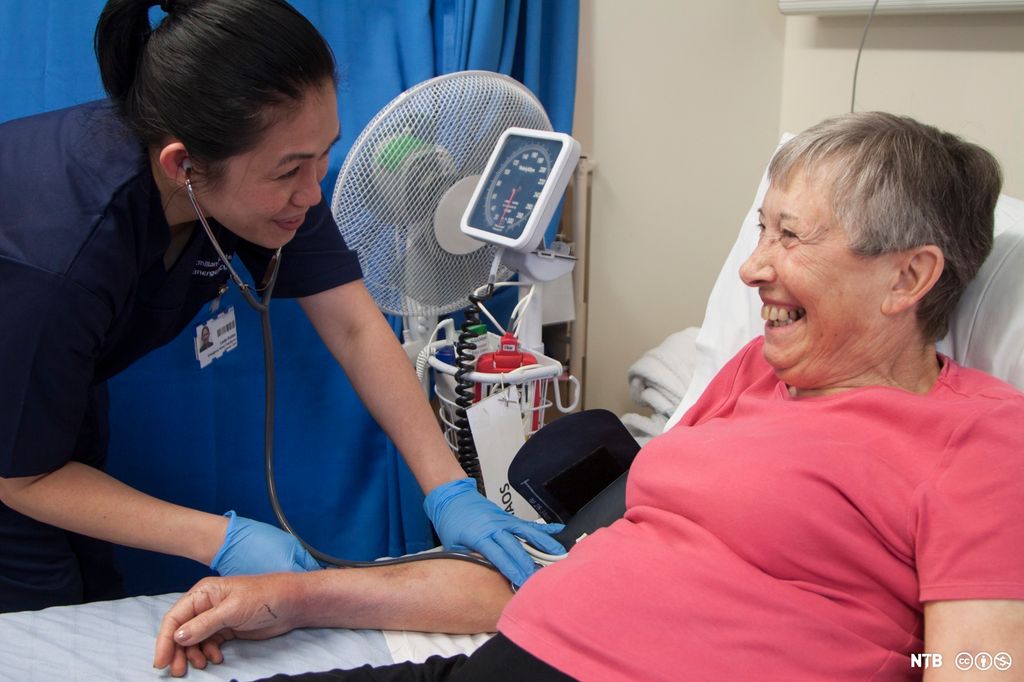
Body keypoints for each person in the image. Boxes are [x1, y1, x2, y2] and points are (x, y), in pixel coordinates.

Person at [152, 112, 1024, 681]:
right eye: (761, 230)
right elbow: (560, 577)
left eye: (790, 237)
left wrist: (889, 661)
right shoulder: (755, 376)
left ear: (909, 277)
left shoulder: (978, 439)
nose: (754, 267)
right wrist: (298, 598)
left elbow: (976, 662)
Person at [0, 0, 565, 614]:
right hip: (21, 386)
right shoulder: (58, 264)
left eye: (324, 154)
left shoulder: (257, 172)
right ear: (183, 164)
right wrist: (220, 538)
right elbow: (23, 477)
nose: (313, 191)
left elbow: (352, 324)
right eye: (291, 171)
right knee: (41, 604)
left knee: (92, 590)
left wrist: (448, 490)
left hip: (42, 386)